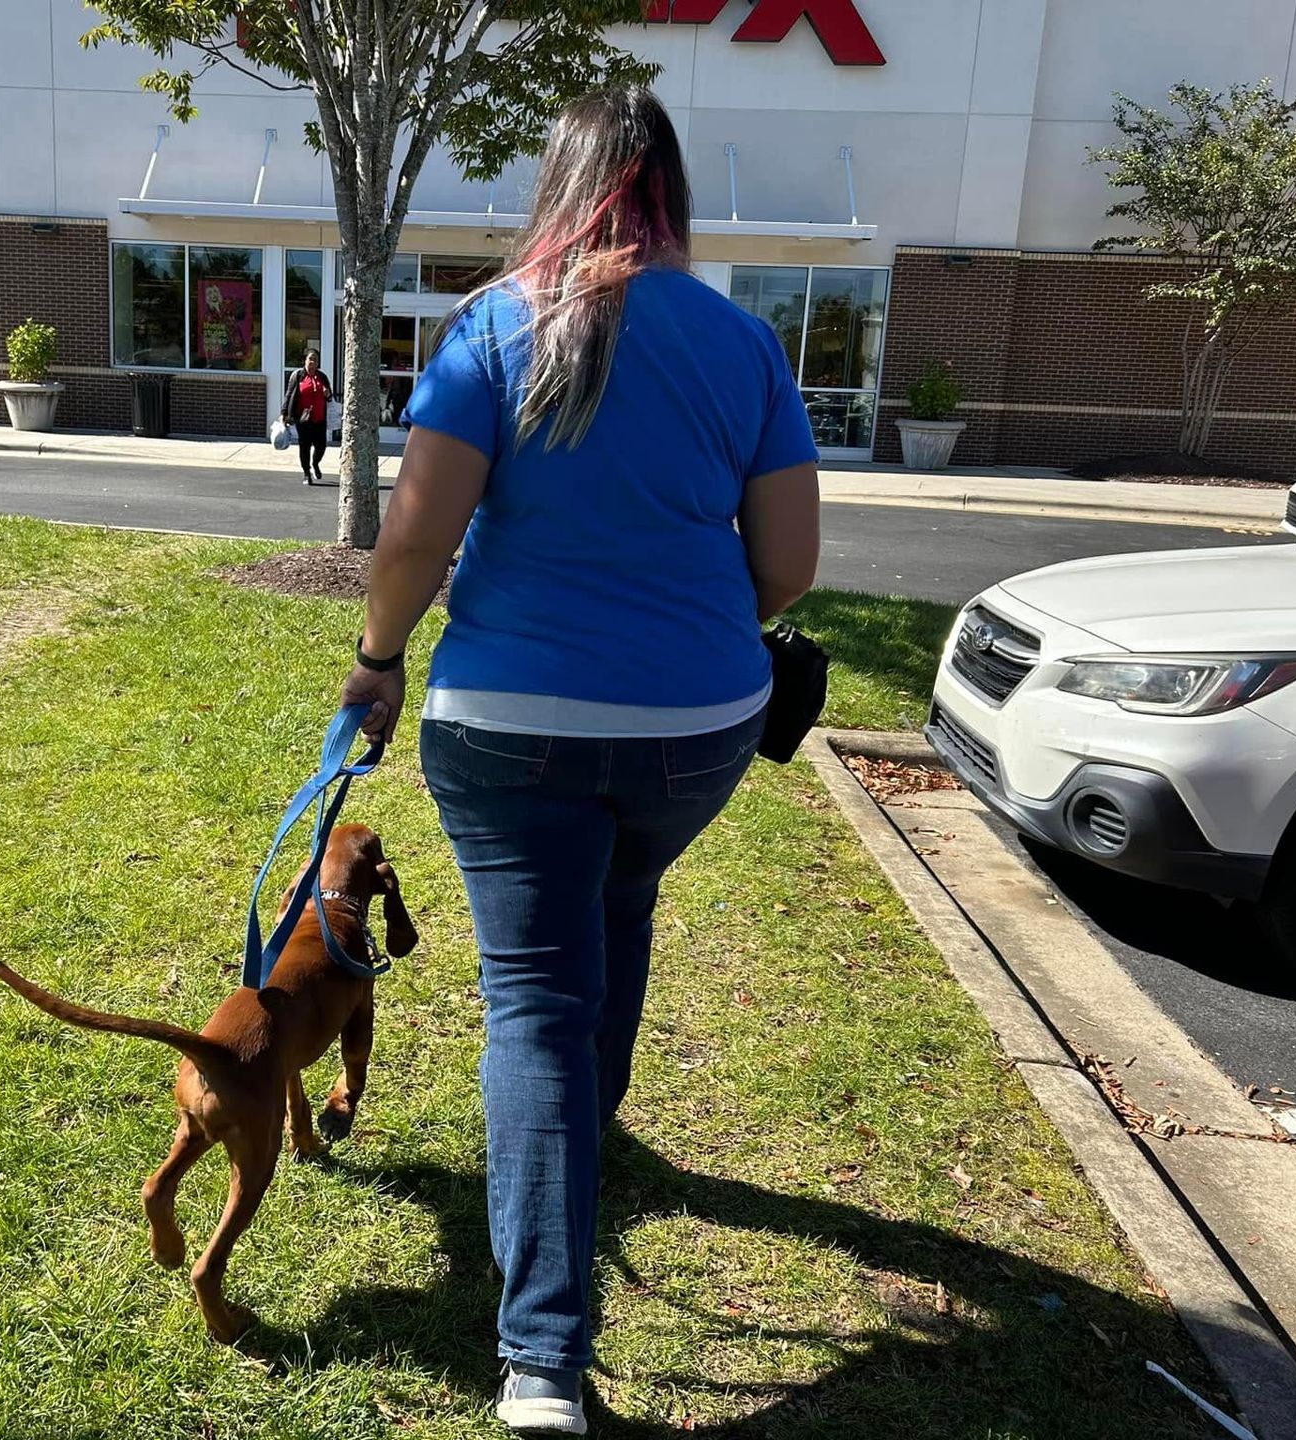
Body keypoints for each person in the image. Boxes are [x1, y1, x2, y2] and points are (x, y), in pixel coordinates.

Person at [336, 87, 821, 1435]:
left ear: (553, 183)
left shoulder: (492, 329)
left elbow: (419, 543)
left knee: (539, 1004)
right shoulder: (743, 344)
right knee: (622, 907)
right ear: (671, 192)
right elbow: (785, 570)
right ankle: (575, 1159)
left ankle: (542, 1362)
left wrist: (377, 659)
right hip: (695, 730)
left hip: (509, 727)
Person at [281, 349, 333, 483]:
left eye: (315, 359)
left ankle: (315, 463)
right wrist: (284, 413)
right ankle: (306, 473)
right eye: (310, 359)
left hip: (319, 418)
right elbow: (289, 394)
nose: (313, 362)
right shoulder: (298, 376)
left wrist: (327, 394)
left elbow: (329, 397)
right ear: (304, 360)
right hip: (303, 418)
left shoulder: (322, 377)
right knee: (305, 446)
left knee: (321, 446)